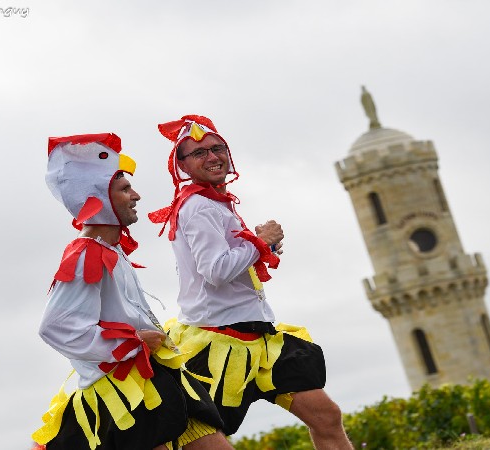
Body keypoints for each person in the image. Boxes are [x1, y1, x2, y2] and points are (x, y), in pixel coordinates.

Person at [149, 116, 354, 449]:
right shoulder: (198, 207)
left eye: (218, 148)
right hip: (216, 344)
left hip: (258, 339)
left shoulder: (214, 203)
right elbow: (215, 271)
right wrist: (259, 244)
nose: (213, 157)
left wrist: (260, 247)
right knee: (194, 440)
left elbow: (229, 265)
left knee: (326, 416)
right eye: (200, 153)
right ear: (182, 165)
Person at [32, 133, 233, 450]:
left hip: (157, 377)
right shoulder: (86, 254)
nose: (136, 195)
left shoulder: (111, 251)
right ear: (98, 198)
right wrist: (132, 342)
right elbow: (55, 327)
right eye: (125, 189)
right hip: (127, 394)